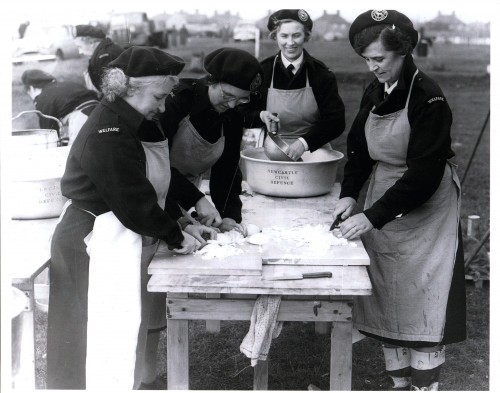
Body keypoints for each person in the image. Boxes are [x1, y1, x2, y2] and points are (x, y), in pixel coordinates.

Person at [46, 46, 218, 390]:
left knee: (115, 329)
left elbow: (146, 184)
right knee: (86, 335)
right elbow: (130, 197)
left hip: (113, 232)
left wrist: (181, 223)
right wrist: (175, 235)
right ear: (128, 87)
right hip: (88, 240)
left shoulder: (128, 120)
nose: (163, 105)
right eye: (158, 96)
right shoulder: (107, 130)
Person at [332, 10, 466, 390]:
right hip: (382, 197)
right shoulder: (376, 90)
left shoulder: (429, 96)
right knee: (388, 298)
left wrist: (373, 216)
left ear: (404, 51)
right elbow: (358, 150)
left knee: (423, 298)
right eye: (367, 60)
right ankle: (399, 384)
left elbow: (423, 175)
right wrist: (348, 194)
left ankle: (426, 385)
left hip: (424, 207)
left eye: (380, 59)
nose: (373, 67)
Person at [160, 47, 264, 234]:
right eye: (228, 95)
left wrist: (228, 215)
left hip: (186, 192)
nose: (232, 105)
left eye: (242, 100)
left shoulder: (233, 115)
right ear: (211, 81)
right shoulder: (177, 100)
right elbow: (154, 165)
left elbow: (227, 170)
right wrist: (197, 200)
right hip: (153, 191)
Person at [256, 9, 345, 161]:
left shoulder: (321, 74)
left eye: (296, 35)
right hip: (271, 150)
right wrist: (260, 115)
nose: (290, 42)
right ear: (275, 36)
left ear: (305, 36)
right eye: (284, 36)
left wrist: (304, 143)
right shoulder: (263, 71)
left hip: (313, 151)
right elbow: (243, 109)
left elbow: (336, 121)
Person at [21, 69, 99, 145]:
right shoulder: (69, 84)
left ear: (31, 88)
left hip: (81, 116)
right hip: (100, 109)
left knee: (76, 152)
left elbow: (49, 132)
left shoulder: (42, 98)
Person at [73, 24, 124, 94]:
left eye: (80, 47)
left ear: (91, 43)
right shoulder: (103, 52)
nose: (80, 52)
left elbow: (112, 92)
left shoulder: (105, 57)